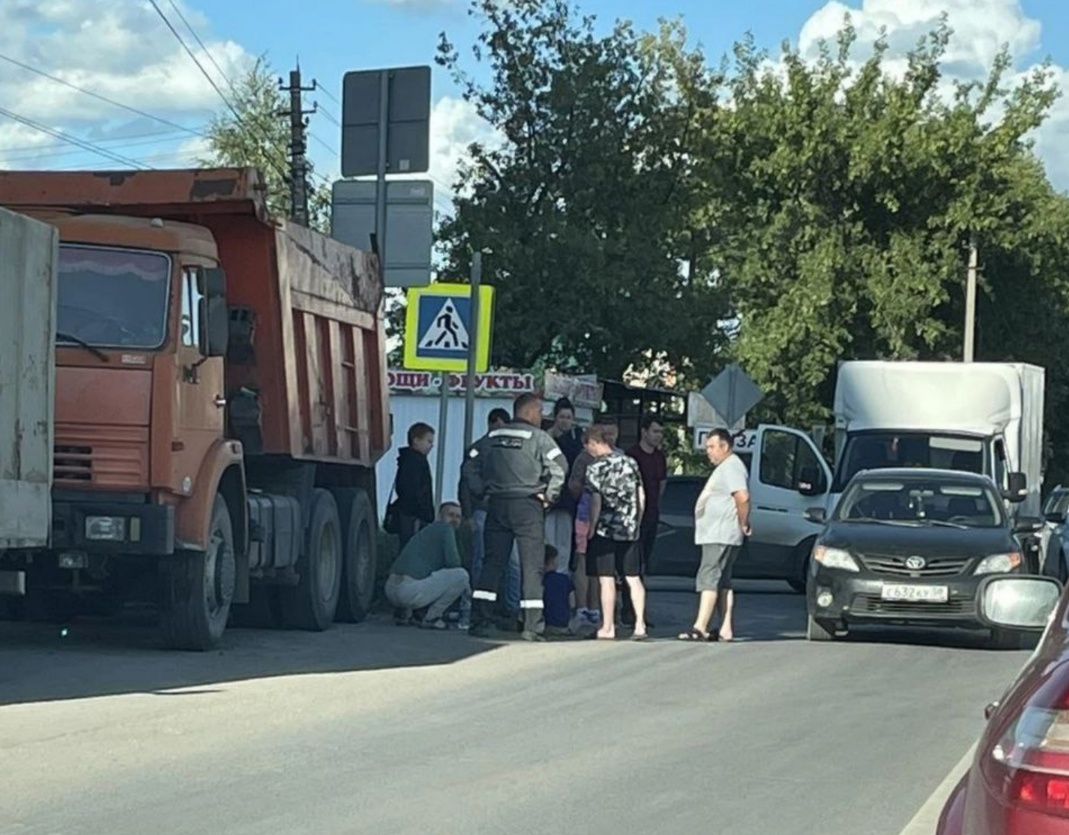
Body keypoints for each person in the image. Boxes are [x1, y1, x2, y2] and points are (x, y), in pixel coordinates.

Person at [464, 393, 567, 641]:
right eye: (540, 411)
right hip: (528, 506)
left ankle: (480, 620)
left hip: (497, 505)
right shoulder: (539, 438)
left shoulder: (492, 437)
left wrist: (481, 491)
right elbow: (560, 466)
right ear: (530, 412)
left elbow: (469, 462)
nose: (542, 416)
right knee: (532, 567)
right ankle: (532, 626)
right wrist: (549, 496)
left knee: (492, 564)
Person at [679, 428, 751, 643]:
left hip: (720, 533)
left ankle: (700, 626)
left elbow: (742, 497)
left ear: (725, 446)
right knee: (723, 581)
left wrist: (743, 522)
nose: (708, 451)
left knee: (709, 577)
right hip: (721, 533)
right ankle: (725, 629)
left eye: (711, 447)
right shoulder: (729, 467)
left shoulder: (731, 467)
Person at [583, 423, 648, 641]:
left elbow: (596, 501)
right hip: (629, 528)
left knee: (606, 578)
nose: (589, 451)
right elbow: (641, 496)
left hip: (605, 529)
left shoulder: (594, 468)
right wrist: (637, 522)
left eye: (589, 446)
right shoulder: (631, 462)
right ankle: (640, 625)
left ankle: (608, 626)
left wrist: (592, 528)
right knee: (633, 577)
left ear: (594, 443)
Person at [459, 408, 522, 622]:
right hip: (485, 510)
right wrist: (468, 513)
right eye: (500, 425)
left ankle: (509, 607)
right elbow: (465, 482)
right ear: (492, 423)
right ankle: (483, 606)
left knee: (510, 562)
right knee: (483, 559)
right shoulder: (478, 449)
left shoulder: (511, 449)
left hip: (504, 510)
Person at [384, 502, 471, 630]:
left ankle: (410, 615)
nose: (454, 520)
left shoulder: (426, 532)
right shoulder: (445, 529)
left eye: (458, 517)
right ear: (439, 516)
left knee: (431, 576)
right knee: (462, 575)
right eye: (450, 515)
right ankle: (433, 618)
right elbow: (454, 564)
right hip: (409, 592)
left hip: (391, 589)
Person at [623, 413, 667, 625]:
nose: (658, 436)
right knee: (631, 565)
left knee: (643, 566)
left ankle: (639, 611)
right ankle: (627, 610)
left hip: (651, 516)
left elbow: (661, 484)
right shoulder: (632, 455)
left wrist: (654, 506)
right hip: (633, 518)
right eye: (655, 431)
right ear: (644, 431)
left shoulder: (660, 457)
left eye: (660, 432)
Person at [544, 398, 584, 576]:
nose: (565, 421)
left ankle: (561, 574)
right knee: (548, 539)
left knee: (564, 541)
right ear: (555, 417)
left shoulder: (576, 438)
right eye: (562, 417)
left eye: (568, 417)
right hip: (549, 499)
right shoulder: (545, 437)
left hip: (568, 500)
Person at [394, 422, 436, 548]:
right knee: (413, 547)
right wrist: (423, 512)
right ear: (416, 440)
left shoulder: (408, 460)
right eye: (428, 441)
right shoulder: (415, 462)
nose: (431, 446)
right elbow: (413, 490)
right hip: (414, 515)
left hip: (411, 514)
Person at [542, 546, 575, 636]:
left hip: (547, 625)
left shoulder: (541, 581)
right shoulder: (565, 579)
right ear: (554, 561)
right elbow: (572, 603)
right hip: (564, 625)